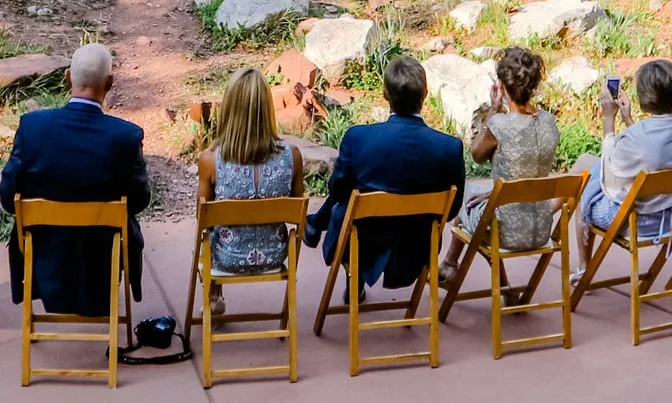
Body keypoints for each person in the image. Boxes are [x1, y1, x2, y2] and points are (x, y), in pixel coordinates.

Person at [0, 42, 151, 318]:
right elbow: (139, 199)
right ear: (110, 83)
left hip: (45, 249)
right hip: (103, 253)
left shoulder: (32, 128)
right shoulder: (125, 137)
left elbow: (9, 197)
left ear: (67, 77)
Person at [305, 54, 464, 289]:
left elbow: (337, 191)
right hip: (418, 247)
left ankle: (352, 271)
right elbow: (451, 211)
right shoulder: (450, 147)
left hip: (359, 242)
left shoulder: (358, 138)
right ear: (425, 96)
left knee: (347, 203)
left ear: (385, 95)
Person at [440, 47, 561, 287]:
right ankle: (499, 286)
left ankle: (449, 266)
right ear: (534, 85)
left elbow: (476, 155)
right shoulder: (549, 121)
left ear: (502, 88)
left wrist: (494, 110)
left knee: (468, 198)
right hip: (540, 228)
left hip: (506, 232)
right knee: (485, 203)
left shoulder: (500, 125)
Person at [198, 67, 305, 310]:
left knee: (210, 236)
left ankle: (213, 294)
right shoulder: (293, 157)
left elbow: (202, 220)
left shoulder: (210, 160)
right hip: (275, 256)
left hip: (225, 258)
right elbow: (299, 217)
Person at [574, 58, 672, 248]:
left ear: (643, 96)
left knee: (586, 183)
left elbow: (609, 174)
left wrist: (609, 118)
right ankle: (549, 211)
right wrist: (627, 119)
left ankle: (583, 265)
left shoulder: (637, 135)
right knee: (587, 163)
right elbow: (651, 154)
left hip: (634, 220)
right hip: (668, 217)